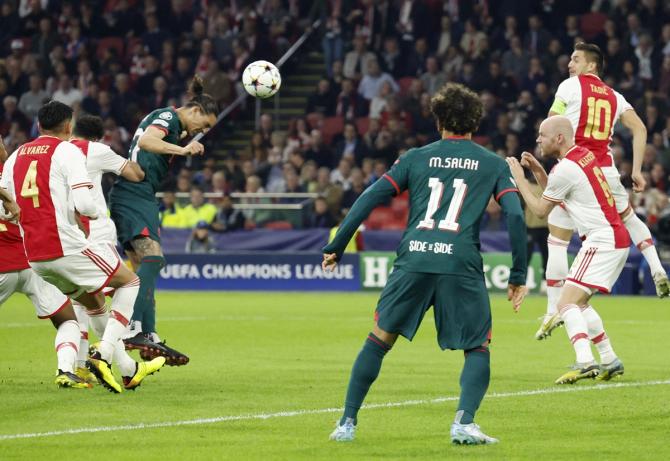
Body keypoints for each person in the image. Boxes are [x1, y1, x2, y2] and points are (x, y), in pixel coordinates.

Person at [323, 83, 528, 445]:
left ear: (439, 122)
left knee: (379, 338)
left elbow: (369, 197)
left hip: (414, 257)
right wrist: (517, 274)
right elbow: (514, 215)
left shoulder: (415, 157)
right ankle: (463, 423)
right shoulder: (492, 163)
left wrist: (337, 245)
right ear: (474, 123)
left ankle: (346, 423)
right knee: (477, 345)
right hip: (460, 260)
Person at [0, 101, 147, 394]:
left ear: (39, 125)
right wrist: (88, 215)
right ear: (69, 126)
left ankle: (127, 368)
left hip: (36, 259)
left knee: (92, 303)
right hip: (65, 246)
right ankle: (103, 353)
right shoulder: (68, 150)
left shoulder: (16, 155)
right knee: (130, 281)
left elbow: (5, 212)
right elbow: (85, 203)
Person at [537, 42, 670, 340]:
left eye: (576, 59)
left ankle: (550, 311)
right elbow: (641, 129)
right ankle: (656, 266)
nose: (570, 64)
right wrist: (636, 170)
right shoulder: (614, 96)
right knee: (627, 217)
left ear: (591, 65)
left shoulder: (569, 87)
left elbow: (551, 122)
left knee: (556, 241)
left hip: (575, 169)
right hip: (606, 170)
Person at [507, 116, 627, 384]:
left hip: (602, 239)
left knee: (565, 303)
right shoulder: (580, 156)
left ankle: (585, 362)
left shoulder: (566, 169)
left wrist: (520, 180)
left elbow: (539, 210)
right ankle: (609, 359)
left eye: (542, 134)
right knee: (579, 303)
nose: (538, 139)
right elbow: (559, 189)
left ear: (558, 138)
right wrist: (539, 172)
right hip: (611, 237)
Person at [109, 76, 218, 366]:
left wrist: (183, 141)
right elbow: (147, 140)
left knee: (143, 265)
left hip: (137, 194)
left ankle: (149, 332)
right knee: (154, 259)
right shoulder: (168, 116)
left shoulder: (175, 125)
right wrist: (183, 150)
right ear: (194, 110)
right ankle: (132, 326)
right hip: (134, 193)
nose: (202, 132)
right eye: (204, 124)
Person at [70, 114, 165, 390]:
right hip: (95, 234)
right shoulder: (96, 150)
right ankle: (110, 349)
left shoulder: (59, 152)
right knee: (129, 284)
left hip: (62, 236)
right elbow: (135, 173)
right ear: (98, 136)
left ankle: (84, 366)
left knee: (87, 300)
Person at [0, 136, 89, 389]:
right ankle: (65, 369)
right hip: (33, 262)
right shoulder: (17, 173)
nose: (5, 147)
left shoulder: (12, 172)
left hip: (6, 265)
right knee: (68, 321)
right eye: (1, 143)